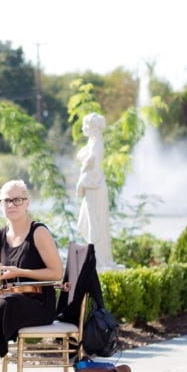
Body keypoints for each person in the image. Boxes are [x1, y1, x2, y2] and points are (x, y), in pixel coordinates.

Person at [0, 180, 64, 357]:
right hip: (10, 300)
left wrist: (20, 272)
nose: (11, 204)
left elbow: (57, 273)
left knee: (2, 306)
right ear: (0, 204)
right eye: (6, 200)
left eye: (17, 200)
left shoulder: (38, 232)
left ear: (27, 203)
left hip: (39, 303)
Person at [76, 112, 113, 268]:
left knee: (94, 222)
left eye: (86, 125)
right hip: (92, 186)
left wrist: (81, 182)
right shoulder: (92, 143)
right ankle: (93, 256)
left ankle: (97, 258)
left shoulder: (97, 144)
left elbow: (92, 167)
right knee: (89, 220)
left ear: (92, 127)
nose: (83, 128)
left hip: (94, 186)